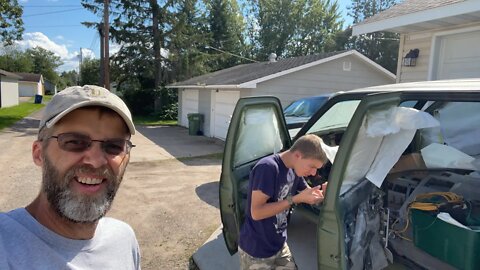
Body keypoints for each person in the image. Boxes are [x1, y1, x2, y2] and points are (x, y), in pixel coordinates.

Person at [0, 85, 141, 269]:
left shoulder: (124, 239)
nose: (96, 161)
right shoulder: (5, 246)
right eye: (75, 142)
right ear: (39, 153)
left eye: (114, 146)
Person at [238, 134, 328, 270]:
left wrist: (323, 194)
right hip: (256, 250)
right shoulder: (268, 168)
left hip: (279, 244)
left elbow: (308, 194)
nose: (314, 173)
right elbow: (256, 212)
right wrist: (294, 199)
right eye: (312, 166)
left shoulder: (296, 170)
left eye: (317, 169)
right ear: (298, 155)